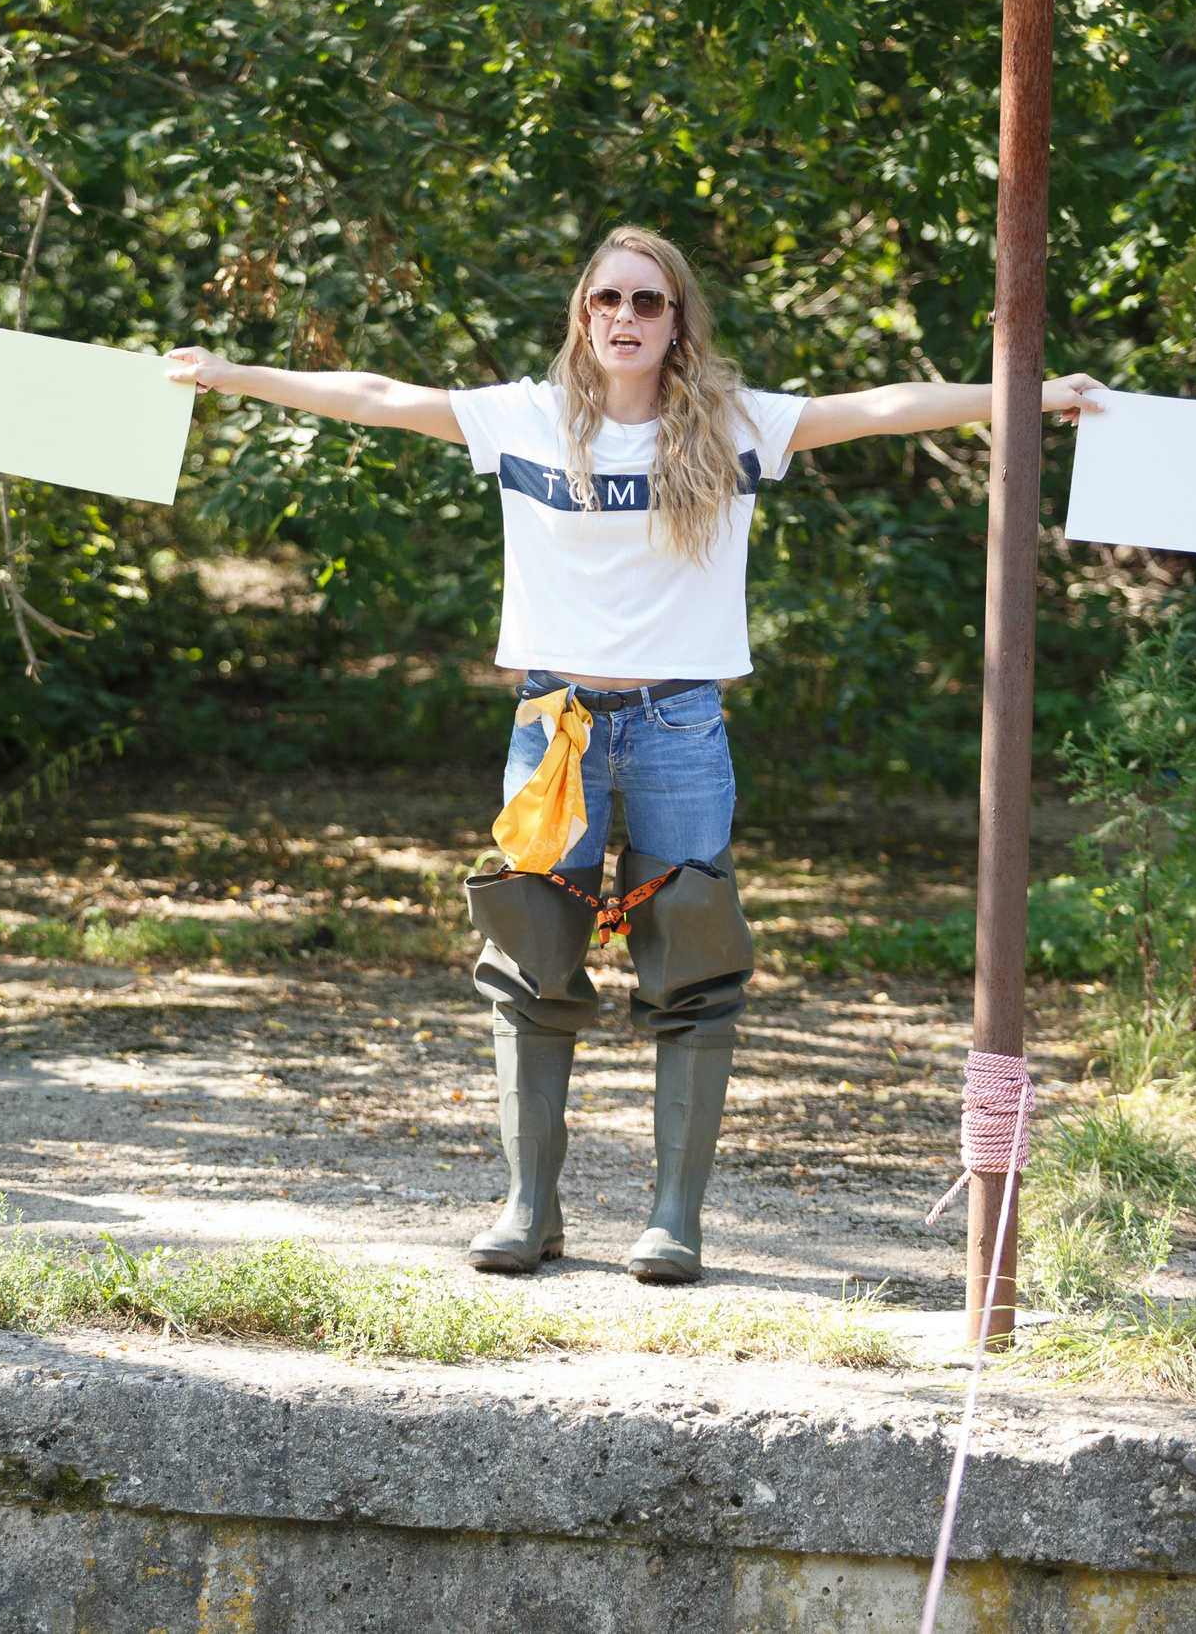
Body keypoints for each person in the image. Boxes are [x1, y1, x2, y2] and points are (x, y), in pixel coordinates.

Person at [167, 224, 1106, 1285]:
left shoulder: (737, 426)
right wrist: (226, 374)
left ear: (677, 321)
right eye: (605, 298)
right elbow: (377, 395)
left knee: (694, 964)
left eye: (646, 303)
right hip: (552, 727)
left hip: (678, 727)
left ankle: (673, 1217)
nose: (623, 317)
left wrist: (1024, 394)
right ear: (582, 312)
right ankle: (529, 1206)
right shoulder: (524, 417)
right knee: (528, 956)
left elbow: (883, 406)